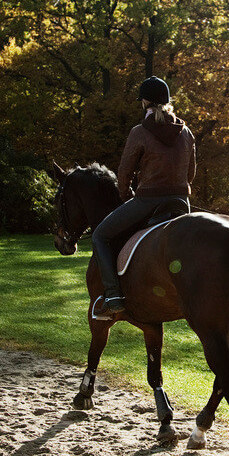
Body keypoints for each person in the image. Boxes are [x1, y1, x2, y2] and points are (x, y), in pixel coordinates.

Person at [91, 76, 196, 320]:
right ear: (168, 102)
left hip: (148, 203)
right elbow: (191, 174)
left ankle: (113, 297)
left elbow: (125, 173)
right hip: (182, 204)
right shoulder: (187, 132)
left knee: (99, 236)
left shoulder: (139, 132)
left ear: (145, 102)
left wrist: (125, 194)